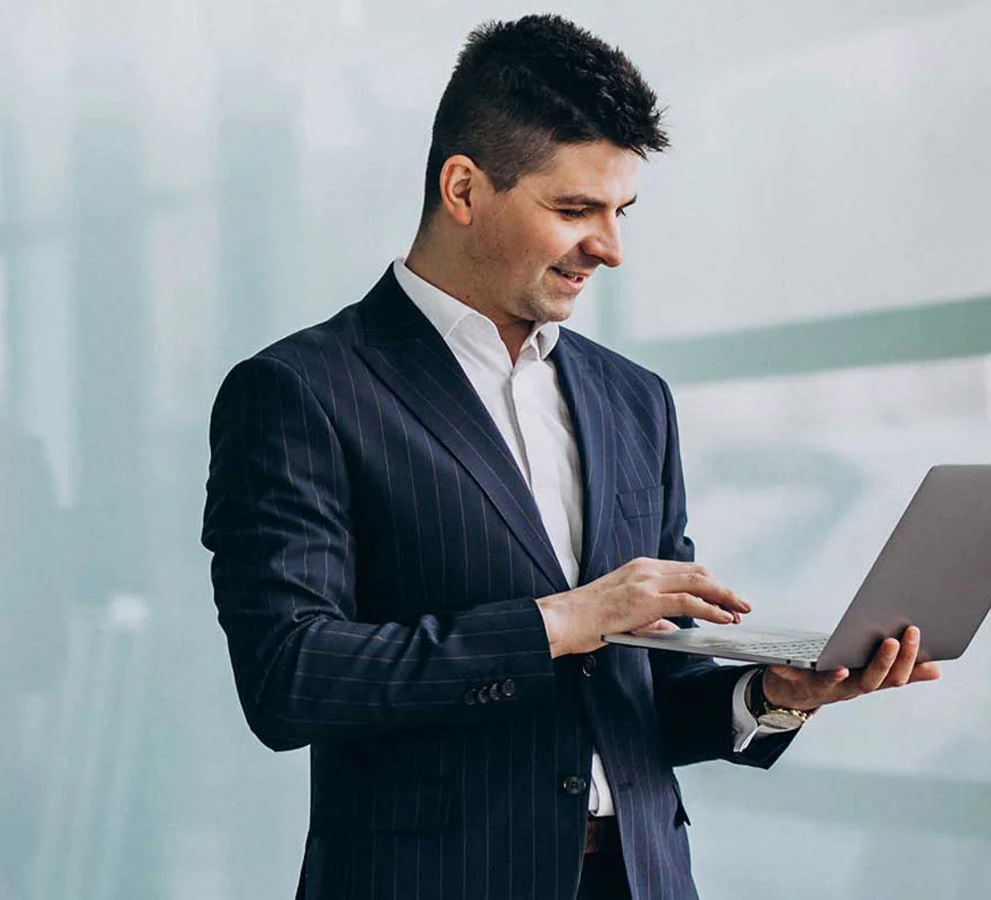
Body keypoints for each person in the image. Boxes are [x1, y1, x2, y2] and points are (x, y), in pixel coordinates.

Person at [199, 14, 941, 900]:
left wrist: (773, 695)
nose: (610, 247)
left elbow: (649, 692)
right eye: (575, 209)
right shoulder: (301, 390)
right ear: (464, 188)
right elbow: (291, 678)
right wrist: (559, 621)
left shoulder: (636, 400)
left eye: (620, 211)